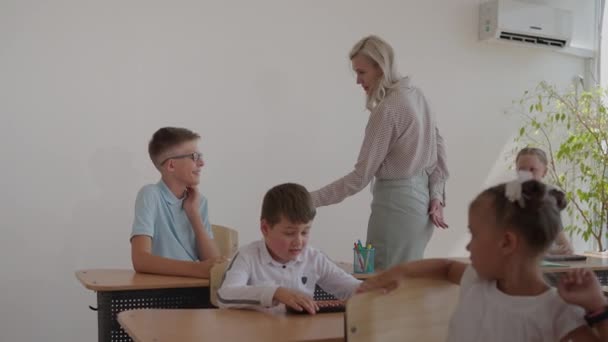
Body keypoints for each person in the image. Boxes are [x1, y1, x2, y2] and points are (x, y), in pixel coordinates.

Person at [358, 177, 608, 341]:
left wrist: (597, 306)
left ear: (507, 243)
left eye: (474, 235)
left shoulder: (556, 311)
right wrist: (398, 272)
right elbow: (445, 267)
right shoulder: (476, 281)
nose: (468, 245)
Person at [310, 35, 449, 269]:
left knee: (381, 284)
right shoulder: (418, 96)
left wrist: (309, 199)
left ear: (380, 67)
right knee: (404, 283)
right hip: (420, 209)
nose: (357, 81)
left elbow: (360, 177)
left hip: (395, 208)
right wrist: (436, 196)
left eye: (361, 72)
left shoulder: (388, 110)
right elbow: (440, 153)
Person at [217, 183, 361, 314]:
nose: (298, 241)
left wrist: (375, 286)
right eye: (289, 233)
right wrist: (275, 292)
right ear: (265, 228)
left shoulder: (314, 257)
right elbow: (225, 295)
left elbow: (350, 288)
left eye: (305, 232)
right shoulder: (247, 255)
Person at [130, 127, 222, 278]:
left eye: (200, 156)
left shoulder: (199, 202)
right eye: (194, 156)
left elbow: (214, 264)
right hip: (161, 292)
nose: (202, 163)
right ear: (171, 165)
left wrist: (193, 214)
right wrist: (197, 269)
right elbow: (140, 260)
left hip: (194, 289)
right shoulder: (150, 195)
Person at [515, 147, 574, 254]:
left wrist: (566, 249)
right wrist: (549, 251)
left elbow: (562, 240)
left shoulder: (549, 198)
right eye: (522, 170)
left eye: (532, 169)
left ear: (544, 172)